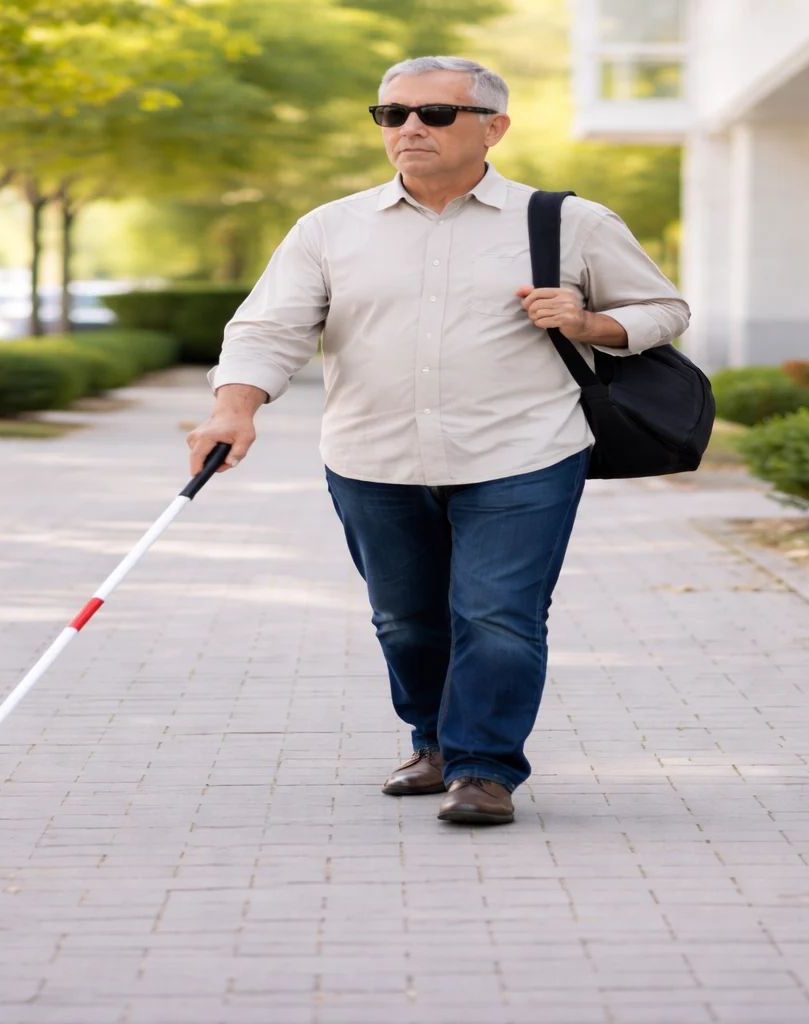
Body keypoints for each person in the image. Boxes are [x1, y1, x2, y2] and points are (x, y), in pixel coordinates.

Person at [187, 56, 689, 825]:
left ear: (494, 127)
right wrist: (235, 407)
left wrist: (591, 325)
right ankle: (434, 744)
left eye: (434, 114)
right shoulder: (329, 228)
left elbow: (663, 308)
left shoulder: (566, 221)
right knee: (406, 618)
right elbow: (268, 328)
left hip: (525, 452)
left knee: (497, 613)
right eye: (392, 115)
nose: (409, 128)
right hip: (372, 456)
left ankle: (485, 768)